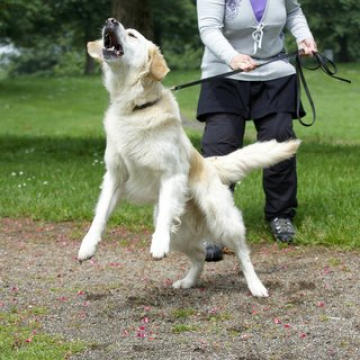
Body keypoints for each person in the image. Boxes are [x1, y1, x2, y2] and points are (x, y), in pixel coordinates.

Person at [196, 0, 317, 260]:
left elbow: (293, 11)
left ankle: (280, 215)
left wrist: (303, 37)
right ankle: (212, 226)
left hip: (273, 72)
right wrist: (233, 57)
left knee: (280, 138)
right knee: (220, 147)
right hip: (224, 74)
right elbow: (208, 29)